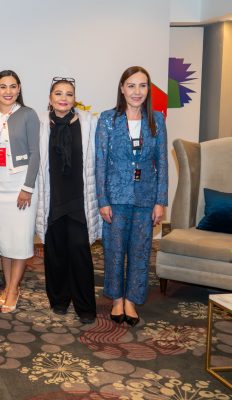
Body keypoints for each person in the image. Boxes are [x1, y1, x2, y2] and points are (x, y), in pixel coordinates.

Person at [95, 66, 168, 327]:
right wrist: (102, 200)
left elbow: (162, 162)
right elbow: (100, 162)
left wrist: (160, 201)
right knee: (114, 250)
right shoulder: (107, 119)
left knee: (140, 250)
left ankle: (132, 300)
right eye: (132, 85)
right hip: (116, 196)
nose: (137, 91)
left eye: (143, 85)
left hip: (146, 198)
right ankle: (117, 299)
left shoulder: (157, 120)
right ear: (122, 89)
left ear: (148, 89)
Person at [35, 77, 101, 324]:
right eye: (58, 93)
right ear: (50, 98)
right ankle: (59, 301)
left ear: (75, 99)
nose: (63, 98)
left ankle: (85, 306)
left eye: (69, 94)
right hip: (52, 199)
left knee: (80, 252)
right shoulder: (40, 123)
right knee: (55, 253)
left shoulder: (88, 123)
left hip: (79, 199)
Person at [0, 70, 40, 313]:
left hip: (20, 184)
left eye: (13, 86)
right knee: (4, 241)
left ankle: (14, 289)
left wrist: (27, 187)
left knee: (20, 240)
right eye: (3, 86)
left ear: (19, 89)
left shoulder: (28, 114)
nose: (8, 91)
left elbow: (35, 153)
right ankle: (8, 286)